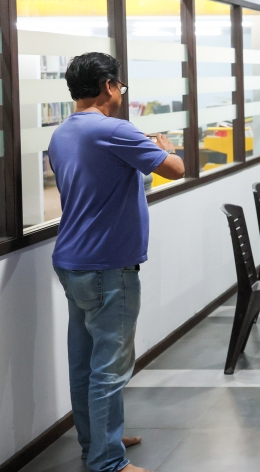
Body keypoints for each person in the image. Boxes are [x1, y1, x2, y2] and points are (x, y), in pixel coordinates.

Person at [48, 52, 185, 472]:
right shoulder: (114, 129)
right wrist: (166, 147)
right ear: (108, 86)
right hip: (108, 266)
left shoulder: (62, 134)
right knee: (110, 367)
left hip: (71, 261)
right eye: (120, 86)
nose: (121, 93)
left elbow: (101, 182)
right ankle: (108, 461)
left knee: (83, 362)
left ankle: (98, 439)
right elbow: (176, 169)